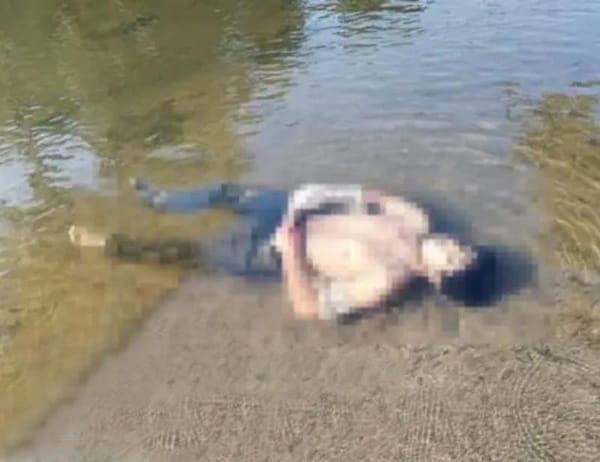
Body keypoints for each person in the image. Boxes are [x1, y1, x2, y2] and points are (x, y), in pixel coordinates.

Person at [68, 179, 475, 322]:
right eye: (463, 248)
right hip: (293, 208)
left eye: (454, 258)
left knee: (187, 251)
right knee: (225, 192)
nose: (454, 245)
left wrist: (291, 249)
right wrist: (323, 193)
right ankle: (163, 202)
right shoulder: (416, 219)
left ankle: (112, 246)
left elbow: (308, 308)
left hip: (271, 250)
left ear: (439, 280)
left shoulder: (384, 279)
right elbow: (372, 197)